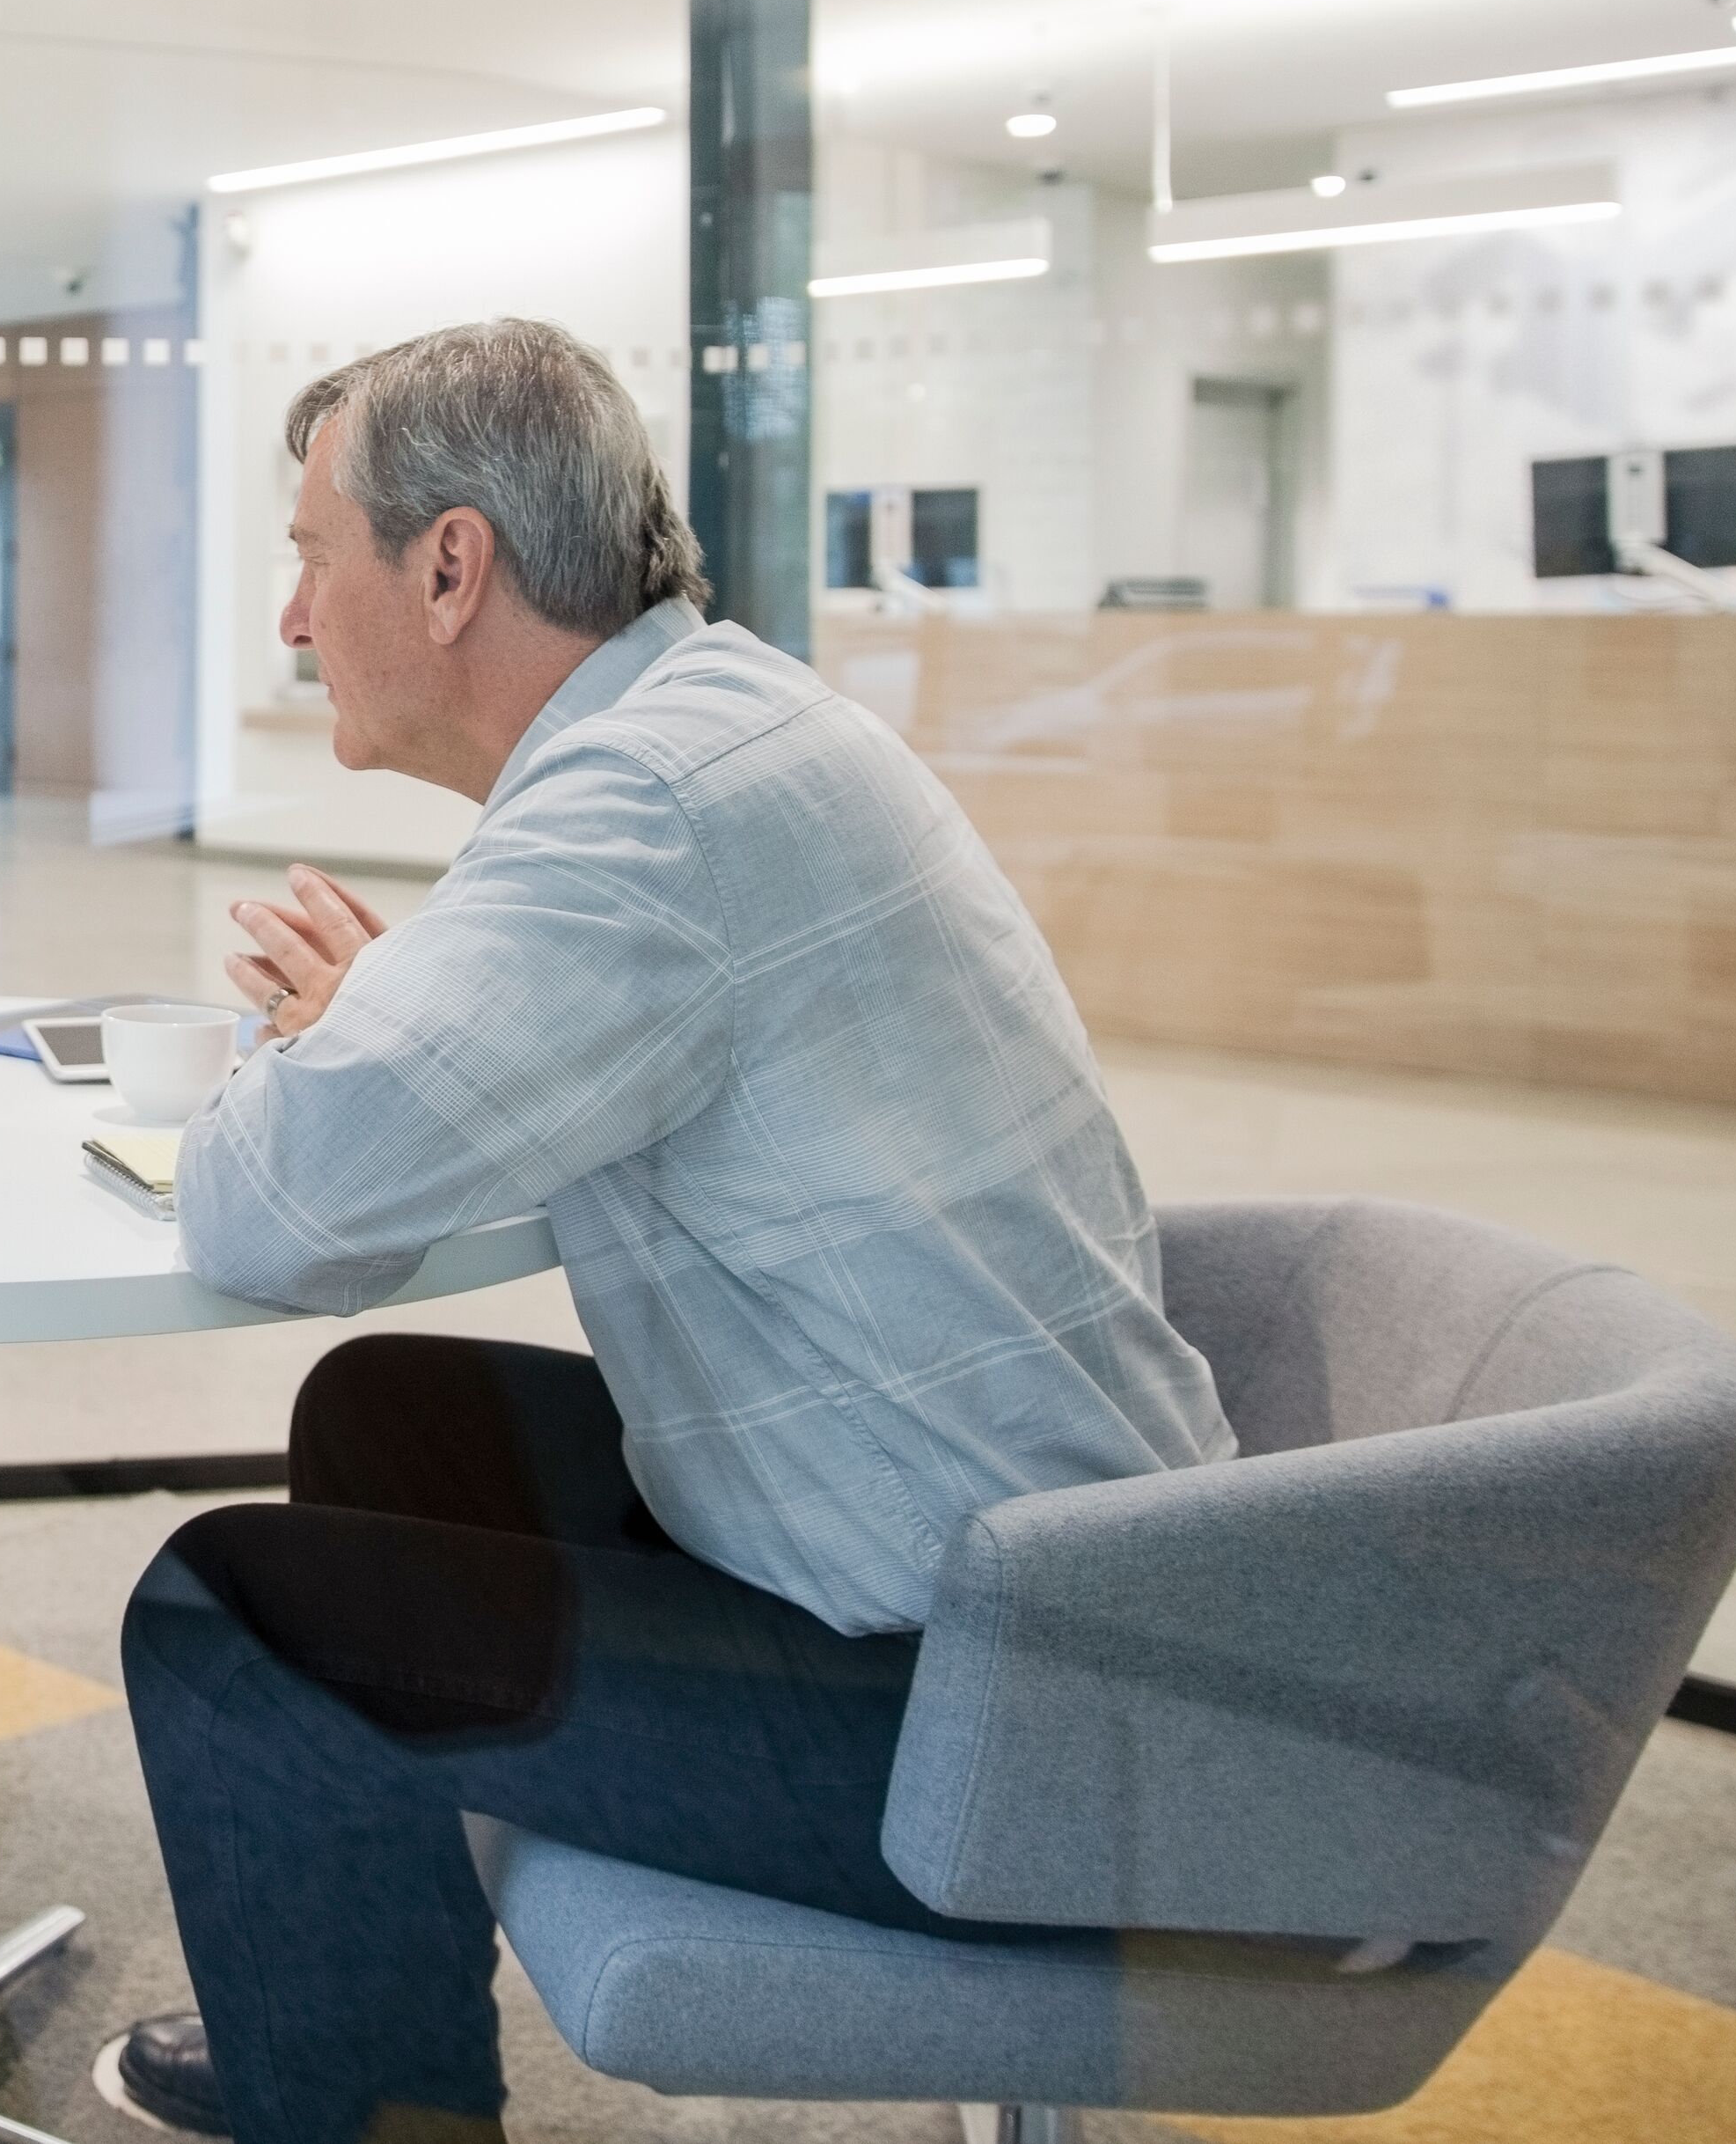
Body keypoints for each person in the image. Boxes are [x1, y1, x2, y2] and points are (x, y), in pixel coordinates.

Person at [108, 319, 1233, 2144]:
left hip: (995, 1718)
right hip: (1038, 1600)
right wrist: (403, 1042)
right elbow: (585, 1069)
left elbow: (264, 1205)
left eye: (314, 559)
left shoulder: (639, 805)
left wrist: (323, 1050)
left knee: (228, 1617)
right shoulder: (716, 728)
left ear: (451, 565)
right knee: (393, 1415)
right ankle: (341, 2024)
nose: (298, 620)